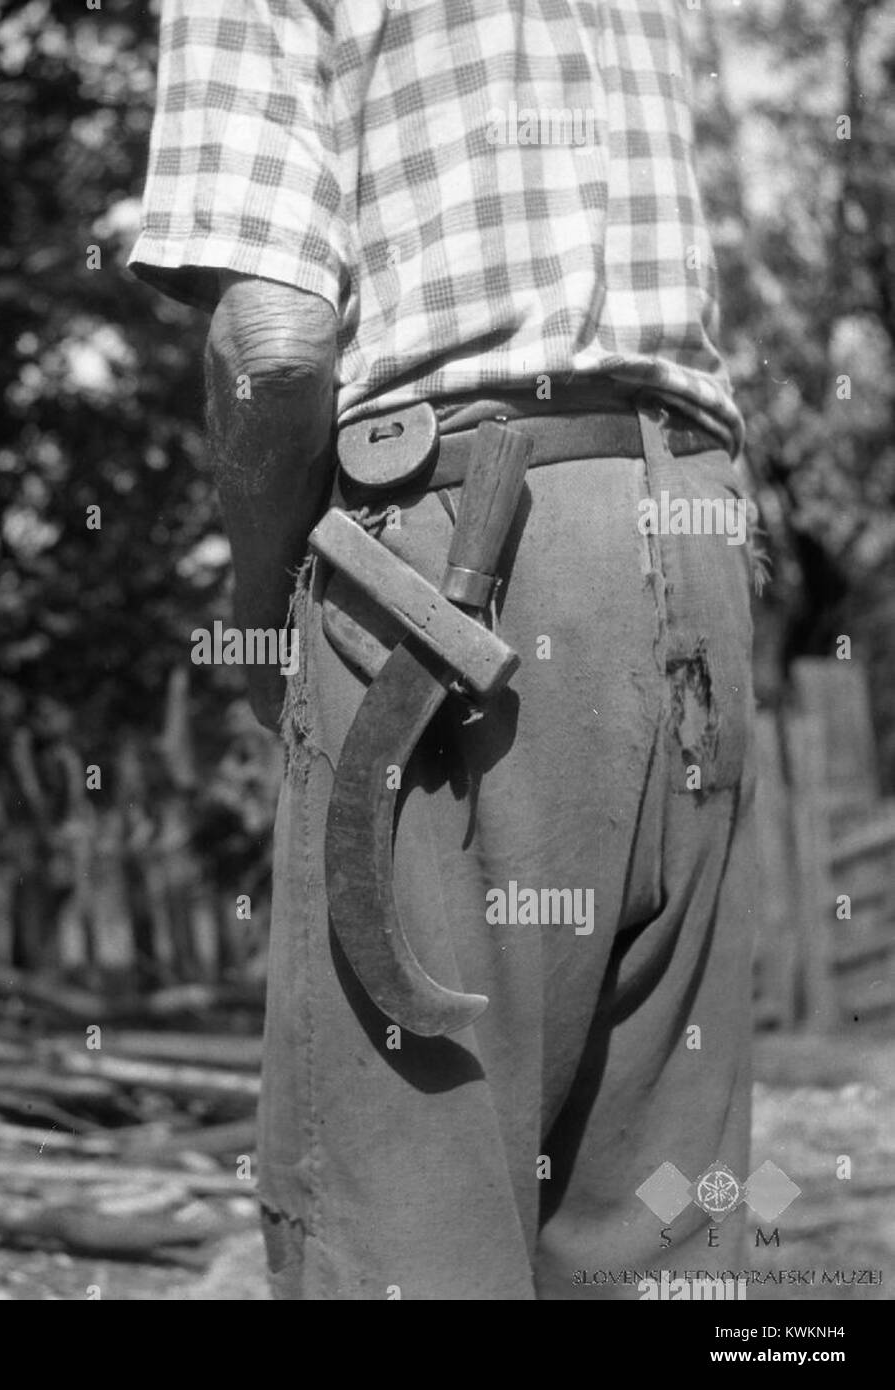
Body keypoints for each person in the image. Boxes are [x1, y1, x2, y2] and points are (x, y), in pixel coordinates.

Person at [130, 0, 757, 1299]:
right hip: (689, 539)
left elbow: (275, 338)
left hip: (450, 559)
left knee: (404, 1239)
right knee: (663, 1230)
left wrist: (265, 618)